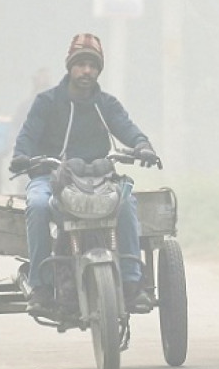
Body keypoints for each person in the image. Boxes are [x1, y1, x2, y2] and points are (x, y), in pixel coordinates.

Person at [10, 33, 160, 315]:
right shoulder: (46, 102)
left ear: (98, 70)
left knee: (126, 202)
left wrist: (143, 145)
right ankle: (40, 286)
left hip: (98, 177)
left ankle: (131, 282)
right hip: (50, 176)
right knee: (39, 205)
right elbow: (27, 136)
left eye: (93, 65)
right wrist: (21, 157)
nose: (87, 70)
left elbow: (127, 128)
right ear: (70, 67)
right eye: (81, 64)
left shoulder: (107, 104)